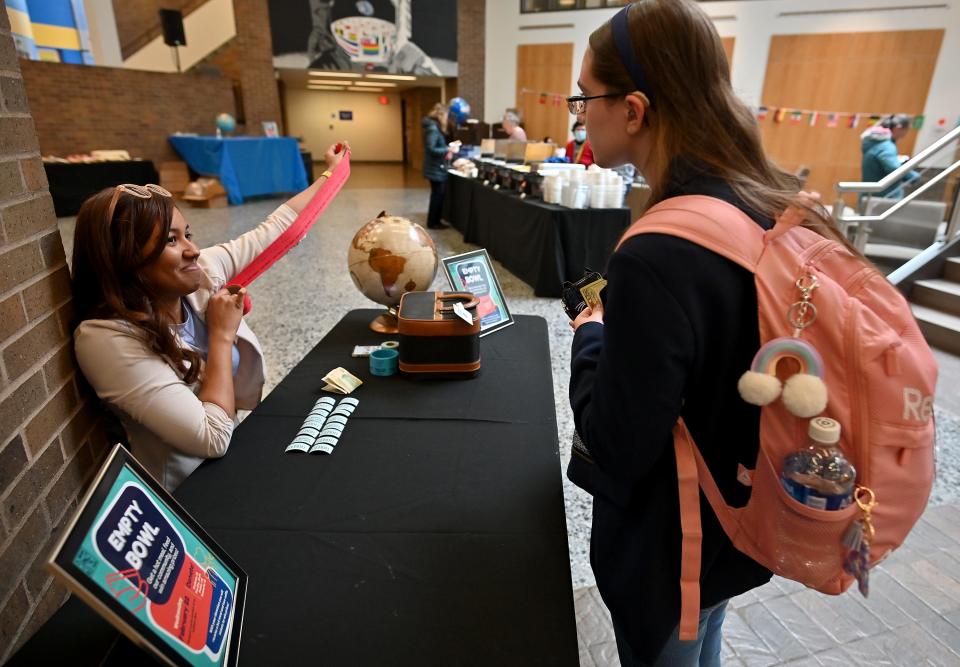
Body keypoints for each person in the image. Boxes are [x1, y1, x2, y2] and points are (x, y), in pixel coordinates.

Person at [565, 1, 867, 664]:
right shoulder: (764, 198)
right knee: (707, 638)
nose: (579, 113)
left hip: (674, 542)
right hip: (741, 518)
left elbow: (618, 441)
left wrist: (591, 338)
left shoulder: (656, 251)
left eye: (583, 98)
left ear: (635, 110)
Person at [71, 142, 350, 491]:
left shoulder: (199, 272)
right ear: (124, 258)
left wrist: (330, 172)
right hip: (192, 490)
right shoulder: (106, 338)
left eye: (187, 234)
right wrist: (221, 336)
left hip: (239, 451)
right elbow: (212, 438)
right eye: (170, 241)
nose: (193, 250)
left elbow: (279, 230)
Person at [860, 114, 920, 201]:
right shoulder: (886, 146)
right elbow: (894, 168)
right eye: (906, 130)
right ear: (898, 128)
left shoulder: (873, 142)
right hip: (884, 196)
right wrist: (913, 176)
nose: (906, 134)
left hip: (869, 193)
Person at [422, 102, 454, 229]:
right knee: (437, 196)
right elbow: (431, 149)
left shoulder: (434, 127)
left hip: (436, 167)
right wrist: (447, 149)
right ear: (442, 115)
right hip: (435, 168)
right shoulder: (433, 128)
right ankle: (433, 222)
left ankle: (436, 221)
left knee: (438, 195)